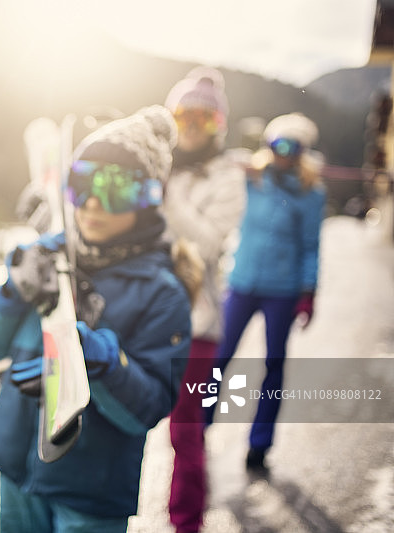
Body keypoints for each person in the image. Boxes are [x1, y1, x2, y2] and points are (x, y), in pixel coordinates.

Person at [0, 106, 199, 532]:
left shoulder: (162, 294)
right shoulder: (45, 257)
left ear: (149, 198)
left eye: (117, 189)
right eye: (84, 183)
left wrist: (96, 360)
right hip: (18, 465)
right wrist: (11, 292)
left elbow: (147, 408)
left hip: (91, 490)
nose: (94, 204)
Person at [204, 112, 325, 474]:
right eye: (277, 145)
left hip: (283, 289)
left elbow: (311, 246)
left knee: (273, 363)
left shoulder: (310, 192)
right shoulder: (251, 179)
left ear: (302, 151)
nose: (283, 153)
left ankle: (260, 443)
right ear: (268, 146)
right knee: (218, 357)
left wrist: (309, 290)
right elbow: (217, 177)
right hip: (242, 282)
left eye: (292, 147)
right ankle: (199, 424)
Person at [162, 67, 247, 533]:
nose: (192, 126)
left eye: (204, 118)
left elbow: (209, 245)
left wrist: (166, 197)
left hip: (198, 322)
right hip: (142, 313)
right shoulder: (158, 165)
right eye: (183, 116)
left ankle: (186, 523)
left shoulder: (229, 178)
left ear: (219, 124)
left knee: (185, 431)